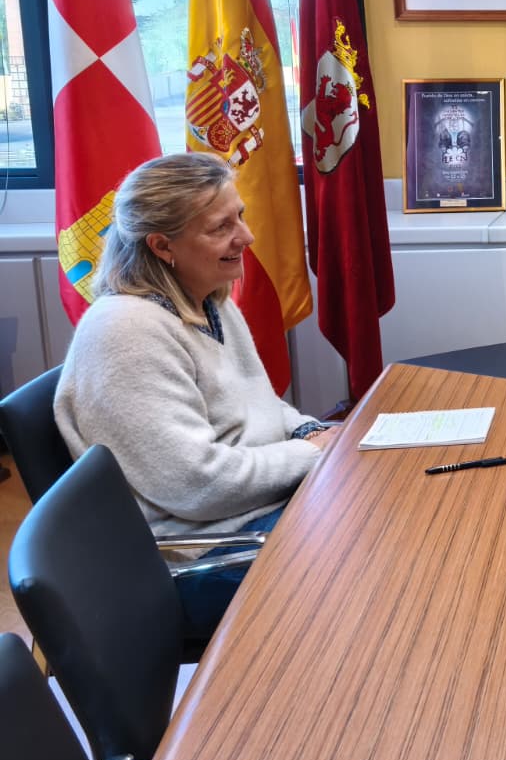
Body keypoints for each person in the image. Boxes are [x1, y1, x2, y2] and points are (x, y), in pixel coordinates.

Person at [54, 153, 336, 643]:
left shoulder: (207, 298)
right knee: (378, 557)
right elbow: (195, 483)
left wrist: (312, 432)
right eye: (221, 227)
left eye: (241, 216)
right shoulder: (127, 330)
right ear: (163, 245)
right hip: (199, 557)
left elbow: (263, 405)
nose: (246, 237)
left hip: (248, 519)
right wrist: (311, 455)